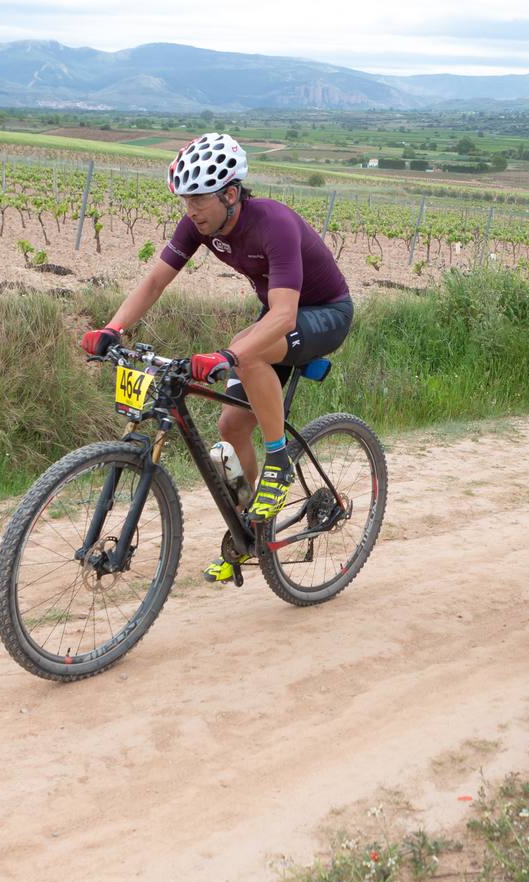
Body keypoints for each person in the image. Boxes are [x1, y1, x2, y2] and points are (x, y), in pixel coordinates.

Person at [81, 133, 356, 583]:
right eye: (185, 200)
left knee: (245, 352)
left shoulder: (275, 223)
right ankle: (255, 530)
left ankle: (279, 461)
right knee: (229, 428)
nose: (190, 210)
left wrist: (226, 355)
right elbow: (155, 282)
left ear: (230, 194)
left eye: (198, 200)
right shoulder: (199, 225)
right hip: (279, 317)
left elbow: (285, 314)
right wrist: (113, 329)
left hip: (324, 314)